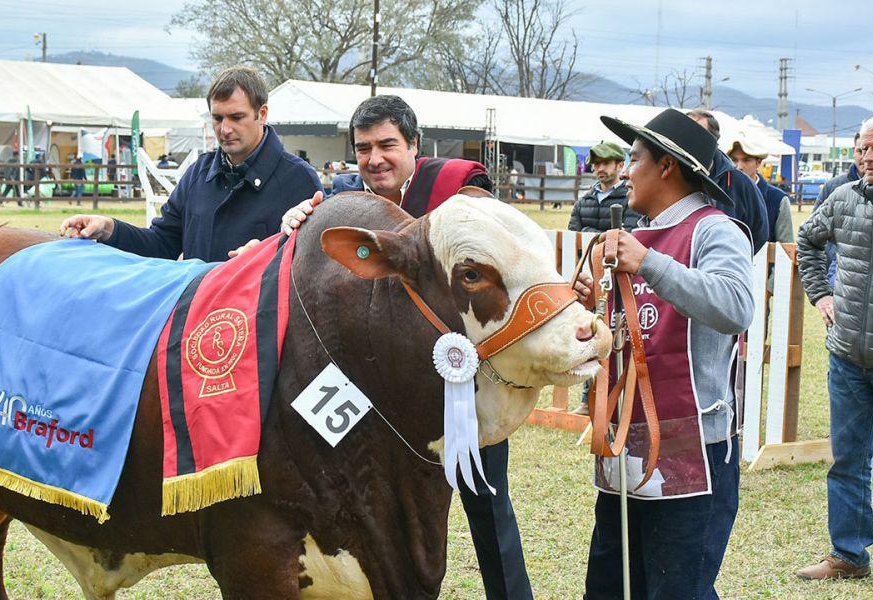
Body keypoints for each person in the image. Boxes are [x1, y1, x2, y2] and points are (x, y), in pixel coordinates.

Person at [277, 94, 530, 600]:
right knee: (371, 503)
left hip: (460, 384)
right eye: (363, 148)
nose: (375, 159)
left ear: (415, 144)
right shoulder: (342, 203)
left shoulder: (460, 190)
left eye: (387, 145)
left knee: (486, 502)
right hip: (381, 394)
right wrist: (294, 222)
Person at [576, 108, 753, 599]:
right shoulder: (635, 235)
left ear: (667, 166)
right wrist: (591, 306)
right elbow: (625, 333)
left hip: (695, 445)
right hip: (626, 440)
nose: (625, 172)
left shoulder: (715, 230)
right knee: (610, 586)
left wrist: (649, 263)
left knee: (678, 589)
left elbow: (736, 306)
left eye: (634, 159)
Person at [59, 66, 322, 262]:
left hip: (261, 319)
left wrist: (266, 259)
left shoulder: (299, 180)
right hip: (196, 314)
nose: (225, 129)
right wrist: (108, 228)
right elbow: (161, 244)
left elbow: (314, 267)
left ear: (261, 114)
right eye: (217, 118)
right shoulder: (198, 174)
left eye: (236, 117)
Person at [794, 113, 873, 581]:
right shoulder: (842, 198)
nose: (867, 157)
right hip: (848, 355)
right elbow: (806, 242)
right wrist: (821, 295)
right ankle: (849, 555)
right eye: (861, 149)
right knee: (848, 459)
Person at [567, 141, 642, 417]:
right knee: (591, 334)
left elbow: (629, 235)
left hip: (619, 280)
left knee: (617, 336)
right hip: (590, 280)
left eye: (606, 163)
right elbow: (574, 237)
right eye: (596, 164)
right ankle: (588, 397)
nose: (600, 168)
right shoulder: (584, 201)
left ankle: (618, 394)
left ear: (620, 165)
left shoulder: (630, 199)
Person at [687, 108, 770, 253]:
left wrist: (730, 257)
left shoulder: (740, 183)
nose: (689, 139)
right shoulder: (667, 177)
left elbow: (759, 232)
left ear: (713, 141)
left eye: (698, 134)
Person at [812, 132, 865, 286]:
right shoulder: (833, 187)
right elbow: (812, 235)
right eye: (860, 151)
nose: (865, 157)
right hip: (835, 275)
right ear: (853, 151)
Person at [726, 138, 794, 243]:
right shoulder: (720, 195)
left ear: (758, 162)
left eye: (746, 160)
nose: (739, 166)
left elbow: (786, 247)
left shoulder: (778, 199)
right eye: (734, 160)